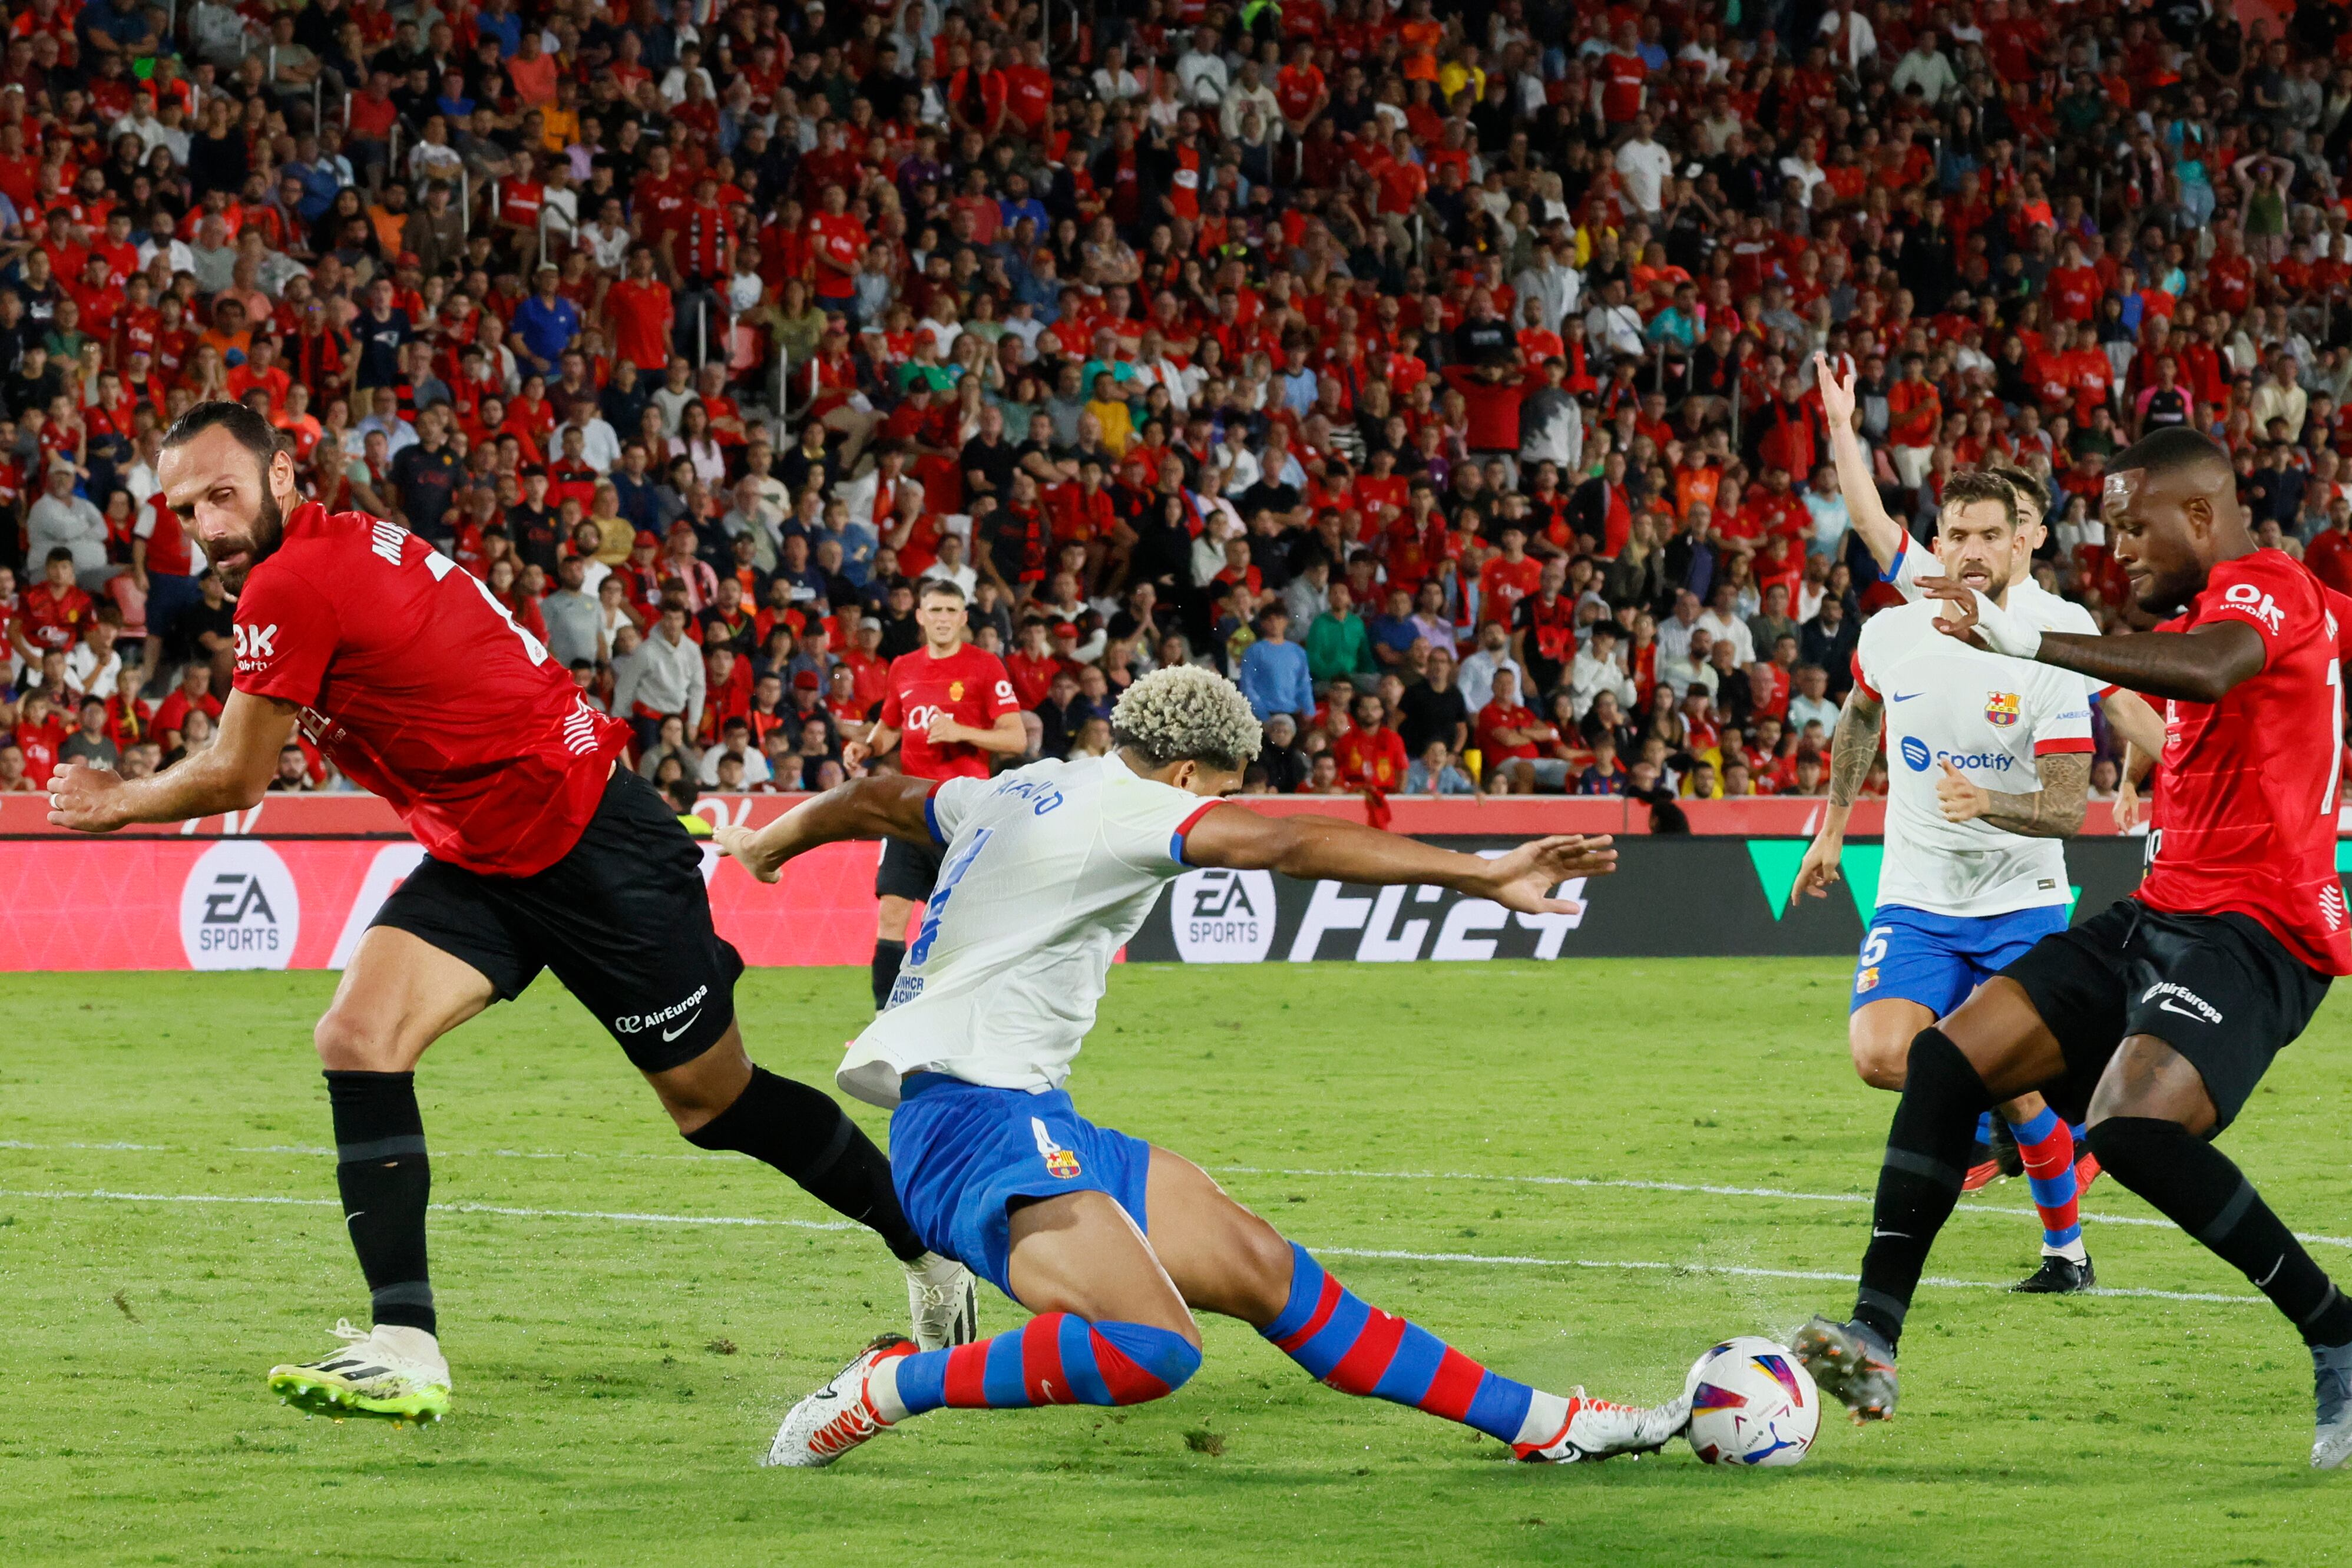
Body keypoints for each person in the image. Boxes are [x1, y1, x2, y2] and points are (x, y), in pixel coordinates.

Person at [44, 402, 977, 1427]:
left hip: (590, 844)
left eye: (223, 495)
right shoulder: (334, 546)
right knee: (357, 1036)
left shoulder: (288, 579)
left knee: (715, 1106)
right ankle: (405, 1344)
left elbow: (238, 772)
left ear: (282, 479)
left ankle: (925, 1243)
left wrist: (113, 799)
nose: (208, 526)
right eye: (186, 510)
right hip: (486, 850)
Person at [714, 666, 1685, 1468]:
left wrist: (768, 841)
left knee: (1270, 1274)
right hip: (973, 1127)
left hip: (1029, 1114)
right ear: (1184, 775)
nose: (1219, 811)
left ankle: (1544, 1425)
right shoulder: (1135, 809)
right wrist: (1479, 871)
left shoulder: (1025, 783)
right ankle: (884, 1387)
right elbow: (1289, 844)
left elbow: (879, 796)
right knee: (1151, 1348)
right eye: (1219, 790)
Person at [1794, 429, 2352, 1472]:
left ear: (2198, 516)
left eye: (2134, 527)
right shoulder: (2262, 606)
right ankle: (1871, 1334)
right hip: (2159, 909)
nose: (2120, 549)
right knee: (1947, 1057)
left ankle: (2336, 1331)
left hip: (2258, 929)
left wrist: (2024, 645)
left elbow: (2214, 668)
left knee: (2129, 1126)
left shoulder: (2263, 587)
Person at [1788, 469, 2104, 1292]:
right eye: (1956, 534)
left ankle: (2066, 1252)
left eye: (1988, 536)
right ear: (1938, 542)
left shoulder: (2048, 644)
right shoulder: (1894, 634)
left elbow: (2069, 807)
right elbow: (1860, 716)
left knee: (2015, 1074)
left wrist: (1989, 800)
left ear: (2016, 544)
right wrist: (1831, 828)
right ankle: (2012, 1105)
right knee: (1879, 1053)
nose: (1971, 550)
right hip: (1916, 898)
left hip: (2021, 903)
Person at [841, 578, 1026, 1011]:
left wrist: (960, 731)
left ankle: (969, 1011)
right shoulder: (903, 667)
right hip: (910, 807)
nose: (942, 619)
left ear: (963, 619)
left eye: (950, 612)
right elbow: (889, 727)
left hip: (964, 811)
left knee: (961, 922)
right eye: (935, 611)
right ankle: (883, 1019)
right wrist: (866, 747)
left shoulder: (985, 666)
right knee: (892, 910)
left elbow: (1015, 738)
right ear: (920, 617)